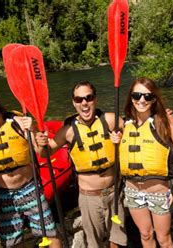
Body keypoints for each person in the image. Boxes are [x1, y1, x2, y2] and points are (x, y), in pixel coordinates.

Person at [0, 82, 61, 248]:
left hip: (30, 188)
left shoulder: (19, 123)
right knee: (12, 243)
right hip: (4, 196)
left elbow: (42, 152)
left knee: (50, 234)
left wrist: (34, 132)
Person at [35, 81, 127, 248]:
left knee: (118, 240)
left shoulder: (111, 120)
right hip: (89, 197)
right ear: (74, 103)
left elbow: (134, 131)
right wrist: (40, 141)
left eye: (88, 98)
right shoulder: (68, 131)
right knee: (94, 242)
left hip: (114, 192)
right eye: (79, 99)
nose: (84, 103)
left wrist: (121, 140)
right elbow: (45, 153)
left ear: (95, 99)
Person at [110, 78, 173, 248]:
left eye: (147, 96)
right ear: (131, 98)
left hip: (158, 192)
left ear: (154, 99)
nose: (142, 100)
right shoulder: (125, 125)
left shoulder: (165, 122)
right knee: (145, 235)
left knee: (164, 240)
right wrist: (114, 139)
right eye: (137, 95)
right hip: (133, 191)